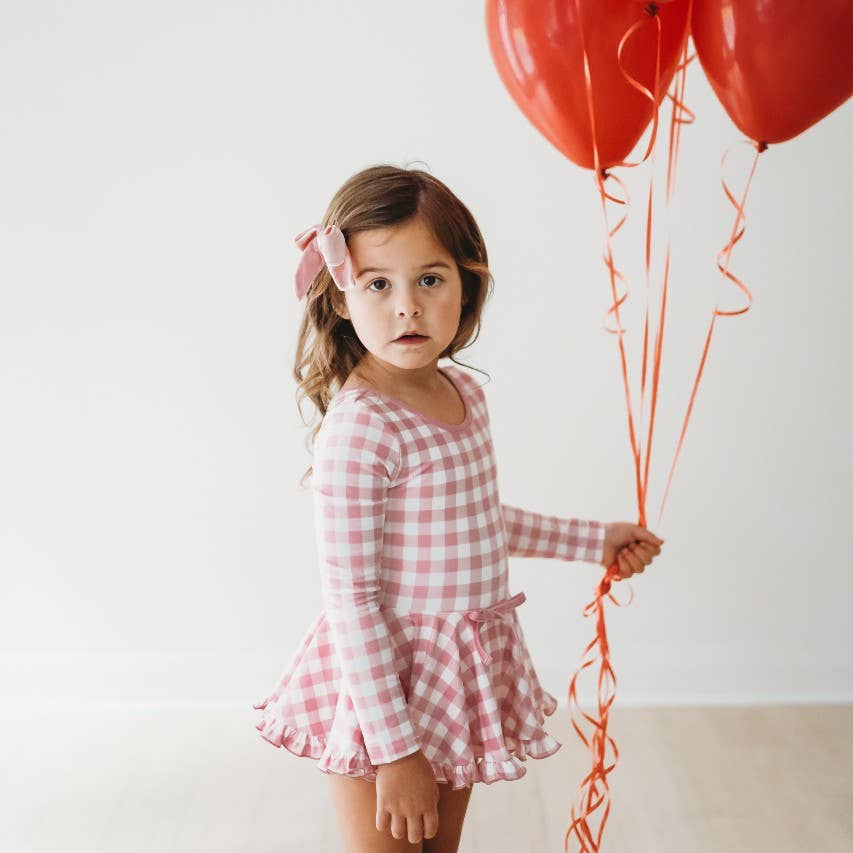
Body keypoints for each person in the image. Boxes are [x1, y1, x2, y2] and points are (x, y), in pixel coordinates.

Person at [253, 164, 664, 852]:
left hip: (454, 676)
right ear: (341, 294)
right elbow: (351, 598)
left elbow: (479, 524)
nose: (406, 306)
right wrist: (394, 751)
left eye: (429, 279)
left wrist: (595, 539)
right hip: (383, 686)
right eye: (378, 283)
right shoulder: (361, 427)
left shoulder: (462, 395)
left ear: (466, 286)